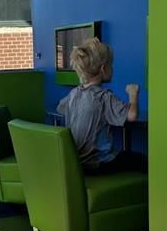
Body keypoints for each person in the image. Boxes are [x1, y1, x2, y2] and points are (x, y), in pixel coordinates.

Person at [57, 37, 144, 174]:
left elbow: (60, 108)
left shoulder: (73, 94)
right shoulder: (103, 97)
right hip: (98, 164)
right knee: (144, 161)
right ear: (103, 69)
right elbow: (132, 115)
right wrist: (133, 94)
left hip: (77, 164)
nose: (112, 68)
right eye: (111, 65)